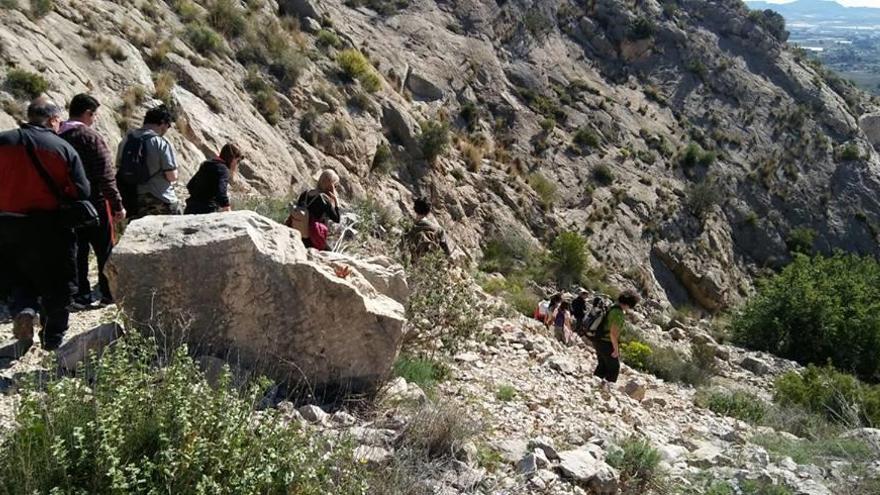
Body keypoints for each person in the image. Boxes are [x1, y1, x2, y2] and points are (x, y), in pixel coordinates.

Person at [0, 98, 90, 350]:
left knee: (17, 276)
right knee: (58, 281)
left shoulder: (3, 141)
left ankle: (24, 310)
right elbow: (81, 191)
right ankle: (52, 336)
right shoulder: (61, 148)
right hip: (50, 225)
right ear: (52, 120)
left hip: (7, 223)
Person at [59, 94, 125, 307]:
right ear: (87, 113)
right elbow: (105, 175)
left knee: (77, 250)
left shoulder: (57, 136)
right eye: (94, 115)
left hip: (67, 203)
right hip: (95, 202)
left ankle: (80, 294)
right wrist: (117, 205)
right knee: (104, 249)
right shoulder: (90, 137)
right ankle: (108, 293)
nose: (94, 119)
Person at [116, 105, 181, 218]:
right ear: (163, 123)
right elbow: (171, 176)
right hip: (160, 198)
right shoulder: (160, 142)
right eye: (168, 126)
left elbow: (118, 167)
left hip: (133, 199)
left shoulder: (126, 140)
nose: (166, 130)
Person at [593, 290, 641, 389]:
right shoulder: (618, 313)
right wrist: (616, 349)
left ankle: (593, 385)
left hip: (598, 339)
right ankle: (607, 391)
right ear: (629, 303)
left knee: (602, 366)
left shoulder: (612, 307)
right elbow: (613, 334)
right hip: (607, 343)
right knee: (614, 369)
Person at [184, 143, 243, 214]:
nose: (237, 165)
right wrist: (226, 206)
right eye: (238, 161)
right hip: (206, 210)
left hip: (190, 208)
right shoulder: (223, 170)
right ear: (232, 159)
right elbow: (221, 191)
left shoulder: (206, 164)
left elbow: (190, 185)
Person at [290, 169, 340, 250]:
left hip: (299, 234)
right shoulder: (323, 199)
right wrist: (336, 201)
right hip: (313, 238)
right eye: (335, 186)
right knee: (330, 254)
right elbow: (337, 218)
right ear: (330, 185)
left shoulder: (305, 193)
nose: (336, 188)